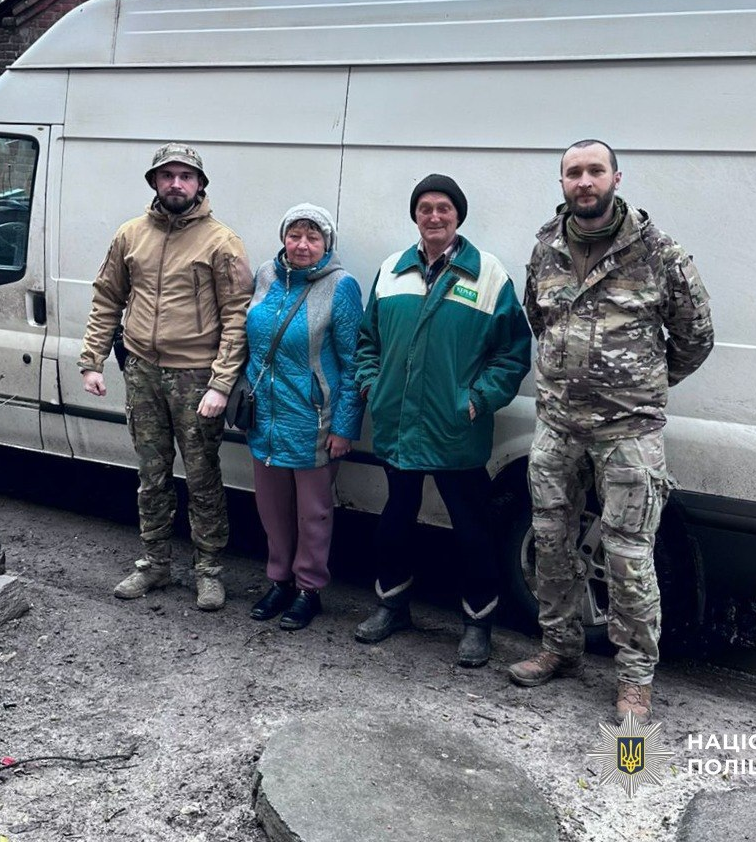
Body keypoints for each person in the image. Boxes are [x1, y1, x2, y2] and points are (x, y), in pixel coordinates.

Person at [508, 139, 713, 722]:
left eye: (595, 170)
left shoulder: (658, 253)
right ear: (562, 183)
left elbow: (695, 337)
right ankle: (559, 647)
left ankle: (634, 681)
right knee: (551, 542)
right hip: (558, 426)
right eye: (573, 172)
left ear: (616, 178)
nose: (584, 181)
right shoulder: (546, 248)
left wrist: (640, 385)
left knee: (627, 558)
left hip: (628, 432)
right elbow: (539, 317)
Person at [353, 174, 531, 667]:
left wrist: (476, 400)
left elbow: (512, 353)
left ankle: (478, 622)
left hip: (455, 427)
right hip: (398, 424)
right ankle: (392, 605)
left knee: (472, 529)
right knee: (395, 522)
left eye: (443, 208)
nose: (434, 216)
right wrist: (372, 386)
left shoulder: (488, 275)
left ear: (458, 216)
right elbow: (367, 341)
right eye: (425, 208)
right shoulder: (392, 270)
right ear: (415, 216)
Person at [80, 142, 252, 611]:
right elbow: (107, 298)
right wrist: (92, 360)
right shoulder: (130, 235)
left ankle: (209, 571)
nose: (176, 183)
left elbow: (237, 316)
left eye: (186, 176)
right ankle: (155, 564)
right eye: (167, 175)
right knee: (151, 475)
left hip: (195, 377)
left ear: (200, 184)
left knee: (202, 476)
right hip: (141, 370)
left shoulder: (222, 242)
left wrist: (221, 383)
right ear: (154, 182)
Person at [244, 204, 364, 631]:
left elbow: (354, 363)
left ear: (326, 243)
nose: (302, 245)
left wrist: (345, 428)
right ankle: (279, 581)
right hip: (265, 417)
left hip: (314, 420)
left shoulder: (341, 286)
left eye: (313, 237)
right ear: (284, 238)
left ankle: (309, 589)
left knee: (313, 513)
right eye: (294, 235)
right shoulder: (265, 275)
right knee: (272, 508)